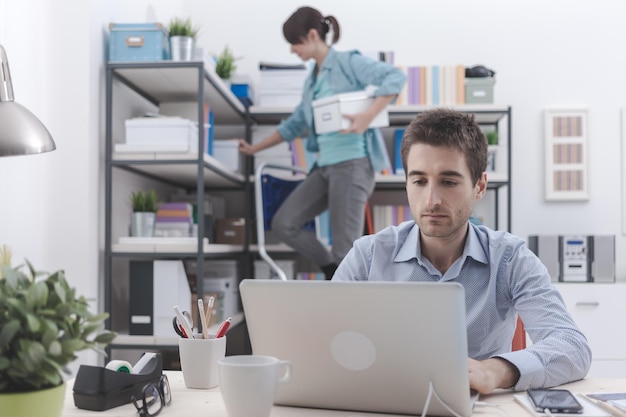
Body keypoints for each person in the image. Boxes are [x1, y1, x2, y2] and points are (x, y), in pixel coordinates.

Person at [332, 108, 591, 394]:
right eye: (419, 181)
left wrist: (495, 370)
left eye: (449, 182)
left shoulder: (510, 258)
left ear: (479, 186)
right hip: (385, 403)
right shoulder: (367, 255)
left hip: (477, 408)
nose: (431, 200)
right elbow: (322, 339)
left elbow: (572, 347)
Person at [238, 6, 406, 280]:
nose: (293, 50)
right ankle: (332, 270)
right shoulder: (311, 82)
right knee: (284, 223)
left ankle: (346, 304)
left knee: (346, 250)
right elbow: (294, 125)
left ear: (313, 35)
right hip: (324, 168)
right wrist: (253, 149)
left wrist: (367, 116)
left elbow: (395, 77)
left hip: (351, 165)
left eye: (295, 42)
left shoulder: (347, 63)